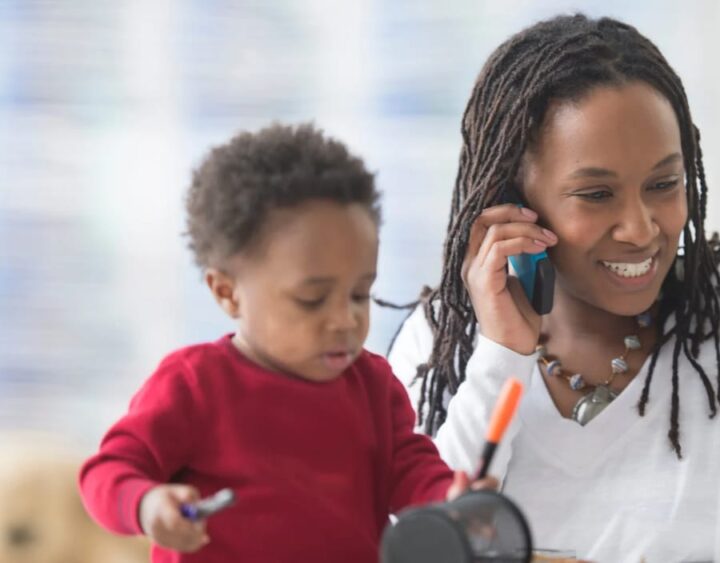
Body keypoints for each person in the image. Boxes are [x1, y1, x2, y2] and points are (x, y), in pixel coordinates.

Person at [388, 15, 720, 562]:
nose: (640, 229)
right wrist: (501, 353)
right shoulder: (440, 343)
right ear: (513, 200)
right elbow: (423, 546)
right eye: (596, 194)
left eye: (664, 184)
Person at [79, 123, 489, 563]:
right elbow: (108, 472)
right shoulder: (195, 384)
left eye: (359, 293)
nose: (346, 318)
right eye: (312, 299)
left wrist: (448, 498)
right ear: (227, 292)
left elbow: (409, 470)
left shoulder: (372, 384)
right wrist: (146, 503)